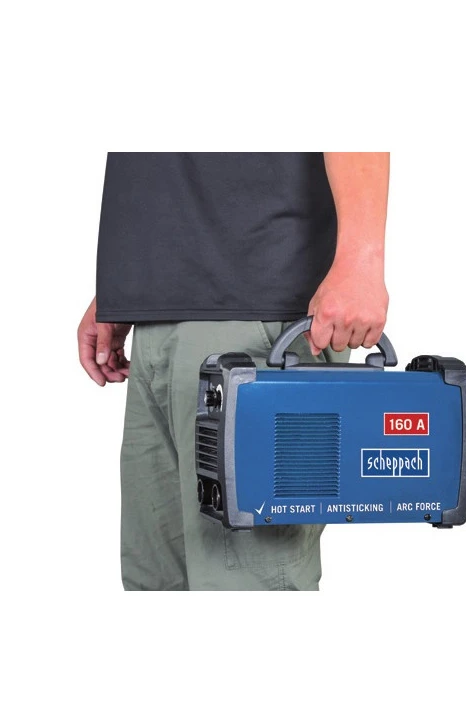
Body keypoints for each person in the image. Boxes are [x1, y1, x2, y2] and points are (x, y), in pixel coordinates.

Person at [78, 152, 389, 590]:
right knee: (155, 585)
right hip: (157, 312)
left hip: (255, 315)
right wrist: (125, 289)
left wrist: (361, 261)